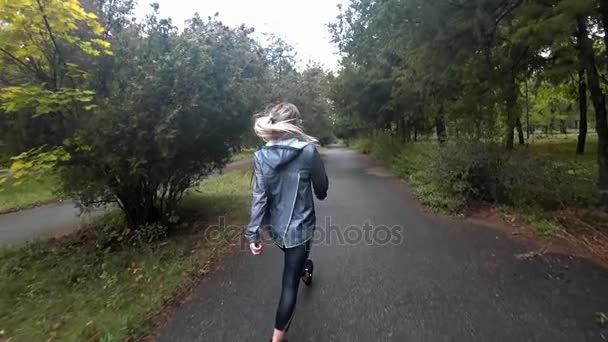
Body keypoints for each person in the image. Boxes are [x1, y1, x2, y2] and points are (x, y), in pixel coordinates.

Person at [245, 102, 329, 342]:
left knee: (296, 262)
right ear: (295, 124)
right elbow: (321, 187)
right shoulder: (308, 151)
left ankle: (305, 268)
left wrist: (253, 235)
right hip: (300, 229)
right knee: (289, 284)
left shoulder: (261, 156)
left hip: (276, 230)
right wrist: (320, 194)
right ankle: (277, 339)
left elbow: (259, 197)